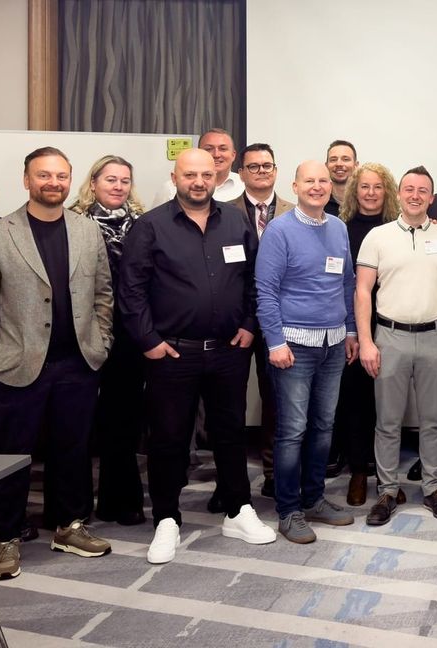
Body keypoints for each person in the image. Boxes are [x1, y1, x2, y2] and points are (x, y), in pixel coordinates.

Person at [120, 148, 277, 565]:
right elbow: (130, 291)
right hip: (172, 353)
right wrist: (149, 340)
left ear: (218, 178)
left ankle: (237, 510)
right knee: (169, 438)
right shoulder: (150, 226)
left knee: (229, 433)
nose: (199, 182)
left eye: (206, 175)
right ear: (175, 177)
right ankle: (167, 519)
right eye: (190, 175)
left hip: (228, 350)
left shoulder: (236, 221)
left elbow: (251, 279)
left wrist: (248, 325)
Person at [0, 147, 115, 579]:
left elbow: (103, 294)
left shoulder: (87, 231)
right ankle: (7, 537)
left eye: (61, 176)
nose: (54, 183)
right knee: (11, 457)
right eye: (44, 175)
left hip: (78, 363)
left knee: (73, 450)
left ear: (71, 181)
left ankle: (69, 526)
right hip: (16, 367)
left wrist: (101, 344)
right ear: (27, 180)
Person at [355, 166, 437, 526]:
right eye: (409, 189)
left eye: (423, 190)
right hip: (390, 338)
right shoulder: (378, 236)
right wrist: (367, 342)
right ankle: (387, 491)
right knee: (387, 421)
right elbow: (361, 291)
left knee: (434, 420)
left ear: (431, 197)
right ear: (399, 195)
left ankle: (433, 488)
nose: (415, 195)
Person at [256, 160, 360, 543]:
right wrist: (275, 342)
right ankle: (288, 509)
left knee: (322, 428)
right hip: (294, 346)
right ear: (295, 185)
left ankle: (314, 498)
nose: (318, 186)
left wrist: (350, 330)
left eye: (324, 181)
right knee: (292, 431)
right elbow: (265, 291)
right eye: (310, 181)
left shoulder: (338, 228)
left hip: (333, 344)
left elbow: (346, 283)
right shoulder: (279, 230)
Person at [69, 155, 149, 527]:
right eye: (110, 179)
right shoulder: (73, 222)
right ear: (94, 182)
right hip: (80, 332)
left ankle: (122, 500)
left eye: (125, 180)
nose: (118, 186)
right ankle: (73, 506)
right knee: (77, 421)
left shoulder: (143, 225)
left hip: (129, 335)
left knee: (124, 419)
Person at [225, 143, 294, 499]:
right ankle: (230, 482)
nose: (262, 172)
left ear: (276, 171)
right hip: (235, 324)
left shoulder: (294, 213)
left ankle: (273, 473)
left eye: (267, 166)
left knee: (276, 403)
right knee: (230, 404)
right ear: (242, 172)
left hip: (279, 322)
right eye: (254, 167)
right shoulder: (223, 213)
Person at [329, 162, 399, 505]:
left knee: (387, 403)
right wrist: (350, 330)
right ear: (354, 192)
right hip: (355, 328)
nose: (370, 193)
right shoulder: (339, 230)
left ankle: (386, 475)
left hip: (391, 325)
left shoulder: (398, 230)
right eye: (364, 187)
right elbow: (339, 285)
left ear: (387, 192)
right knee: (355, 399)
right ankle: (358, 471)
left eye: (377, 187)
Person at [153, 128, 245, 206]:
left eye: (223, 149)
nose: (216, 154)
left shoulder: (244, 186)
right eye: (209, 149)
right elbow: (156, 221)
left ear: (233, 155)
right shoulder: (170, 188)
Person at [324, 139, 357, 216]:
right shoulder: (317, 201)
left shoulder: (367, 200)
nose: (339, 164)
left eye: (345, 159)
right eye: (333, 160)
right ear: (326, 166)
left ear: (356, 165)